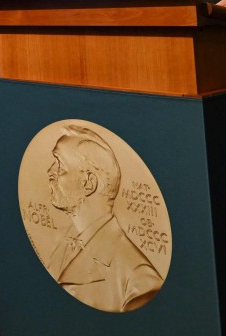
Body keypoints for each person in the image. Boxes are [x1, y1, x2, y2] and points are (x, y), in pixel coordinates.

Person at [45, 125, 163, 313]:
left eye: (60, 165)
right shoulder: (61, 248)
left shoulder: (139, 282)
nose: (50, 172)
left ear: (89, 183)